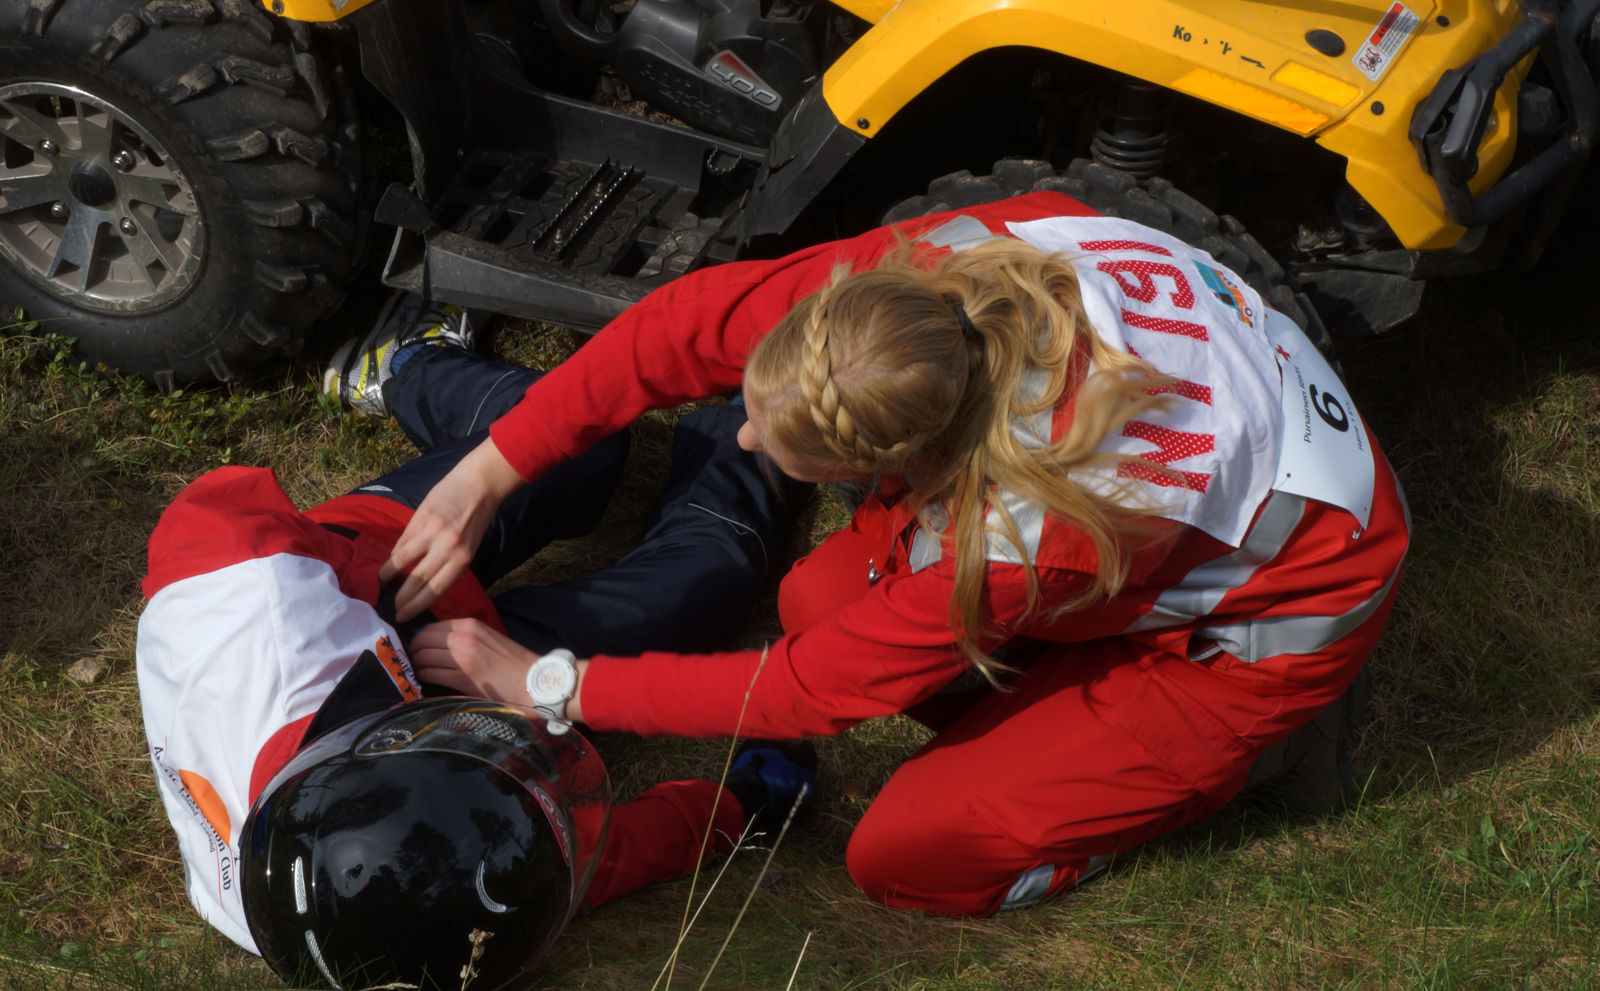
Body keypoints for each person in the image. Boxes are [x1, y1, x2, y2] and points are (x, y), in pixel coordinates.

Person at [387, 191, 1412, 918]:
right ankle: (1055, 707)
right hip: (1211, 496)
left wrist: (550, 681)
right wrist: (489, 471)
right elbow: (681, 328)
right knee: (818, 595)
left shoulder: (1029, 529)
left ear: (913, 460)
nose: (739, 440)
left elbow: (805, 695)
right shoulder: (921, 294)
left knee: (911, 856)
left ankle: (1239, 756)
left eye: (770, 443)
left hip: (1266, 617)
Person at [134, 298, 814, 988]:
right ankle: (753, 411)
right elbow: (573, 859)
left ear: (394, 739)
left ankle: (403, 359)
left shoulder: (259, 610)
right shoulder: (368, 923)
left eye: (489, 754)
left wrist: (399, 593)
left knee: (580, 444)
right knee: (708, 577)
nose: (528, 754)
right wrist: (742, 801)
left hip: (368, 566)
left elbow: (208, 513)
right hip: (418, 680)